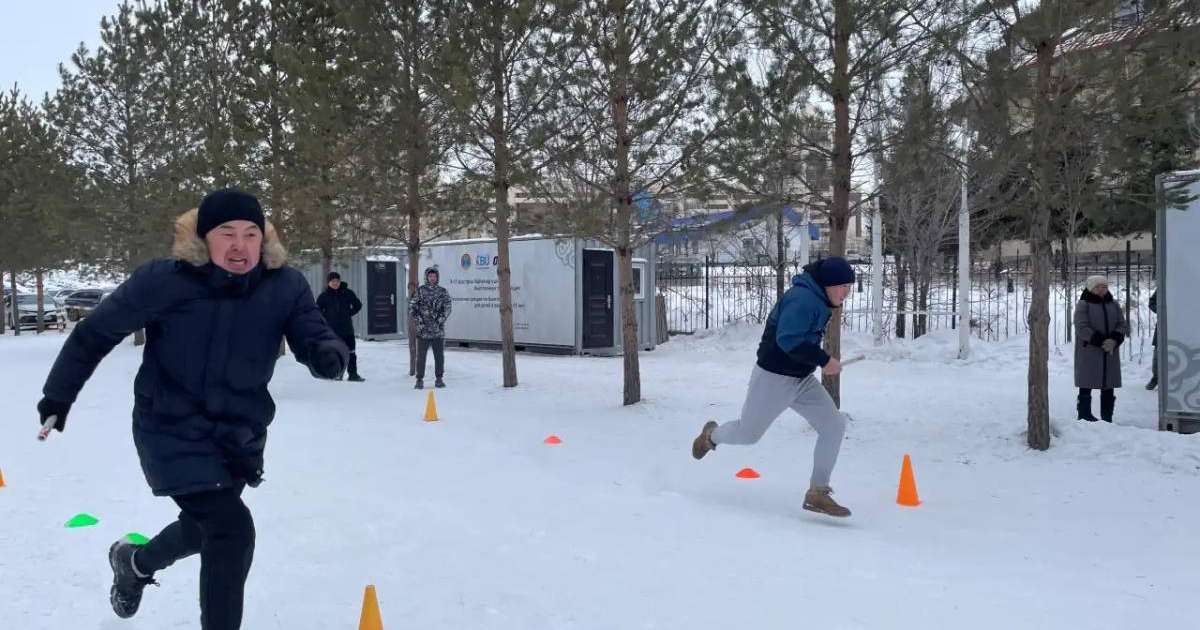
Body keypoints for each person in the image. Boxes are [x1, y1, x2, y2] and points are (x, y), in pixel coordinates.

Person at [36, 189, 348, 630]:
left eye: (250, 234)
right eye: (227, 234)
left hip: (238, 435)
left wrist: (325, 352)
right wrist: (58, 396)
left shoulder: (284, 285)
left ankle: (135, 563)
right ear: (204, 238)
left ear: (264, 240)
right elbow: (96, 333)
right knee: (231, 530)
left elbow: (311, 330)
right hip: (170, 428)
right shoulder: (166, 280)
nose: (240, 246)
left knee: (207, 527)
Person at [691, 257, 855, 518]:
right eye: (842, 286)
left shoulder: (819, 299)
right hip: (773, 378)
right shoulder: (803, 300)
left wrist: (818, 363)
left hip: (801, 380)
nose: (845, 292)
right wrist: (824, 360)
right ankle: (711, 436)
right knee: (748, 435)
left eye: (849, 287)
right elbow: (788, 339)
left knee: (833, 425)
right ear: (826, 284)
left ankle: (817, 492)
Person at [1074, 275, 1128, 423]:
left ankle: (1107, 416)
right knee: (1086, 383)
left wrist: (1115, 339)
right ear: (1091, 288)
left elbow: (1121, 324)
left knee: (1108, 385)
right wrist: (1101, 341)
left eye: (1105, 286)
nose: (1103, 289)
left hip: (1110, 352)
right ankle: (1085, 415)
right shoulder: (1084, 304)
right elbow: (1081, 327)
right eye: (1099, 287)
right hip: (1090, 351)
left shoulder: (1113, 304)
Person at [409, 266, 452, 389]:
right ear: (426, 277)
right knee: (421, 358)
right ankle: (419, 380)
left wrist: (440, 320)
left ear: (437, 277)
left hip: (438, 331)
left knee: (439, 357)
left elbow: (448, 307)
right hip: (423, 332)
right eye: (430, 276)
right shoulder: (420, 291)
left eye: (434, 276)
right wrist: (419, 322)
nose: (432, 278)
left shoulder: (442, 291)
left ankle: (439, 379)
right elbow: (412, 308)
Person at [318, 271, 365, 382]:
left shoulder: (347, 293)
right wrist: (326, 319)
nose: (335, 283)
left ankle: (353, 374)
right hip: (332, 330)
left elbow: (358, 305)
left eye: (337, 281)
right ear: (328, 282)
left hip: (347, 329)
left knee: (351, 352)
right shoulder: (324, 296)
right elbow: (317, 311)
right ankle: (337, 374)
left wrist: (349, 313)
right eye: (333, 281)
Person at [1146, 289, 1158, 391]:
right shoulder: (1165, 284)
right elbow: (1152, 302)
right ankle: (1156, 379)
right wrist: (1161, 310)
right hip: (1164, 325)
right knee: (1157, 357)